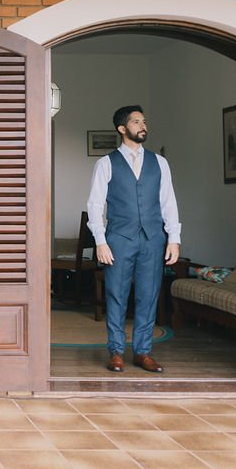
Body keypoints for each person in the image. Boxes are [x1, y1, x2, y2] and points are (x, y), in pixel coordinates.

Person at [86, 105, 180, 374]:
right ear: (122, 129)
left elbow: (168, 203)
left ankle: (143, 352)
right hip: (119, 239)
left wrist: (173, 238)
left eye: (144, 121)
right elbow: (94, 205)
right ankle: (116, 352)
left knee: (148, 296)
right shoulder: (105, 163)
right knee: (116, 294)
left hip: (153, 239)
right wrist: (100, 241)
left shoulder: (160, 163)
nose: (143, 126)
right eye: (136, 122)